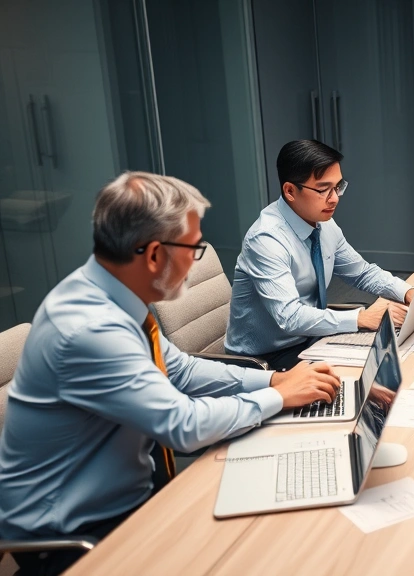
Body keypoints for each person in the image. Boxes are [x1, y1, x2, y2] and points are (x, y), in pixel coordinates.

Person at [0, 172, 341, 576]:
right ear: (154, 255)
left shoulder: (113, 294)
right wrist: (279, 398)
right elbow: (183, 426)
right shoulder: (89, 329)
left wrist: (273, 380)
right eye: (193, 250)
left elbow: (178, 368)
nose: (195, 260)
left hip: (130, 495)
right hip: (77, 537)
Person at [227, 140, 414, 369]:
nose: (334, 198)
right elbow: (289, 317)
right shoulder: (266, 240)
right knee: (369, 379)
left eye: (338, 187)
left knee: (396, 358)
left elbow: (362, 273)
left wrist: (408, 293)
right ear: (290, 191)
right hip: (265, 360)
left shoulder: (324, 225)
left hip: (311, 339)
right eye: (323, 190)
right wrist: (362, 318)